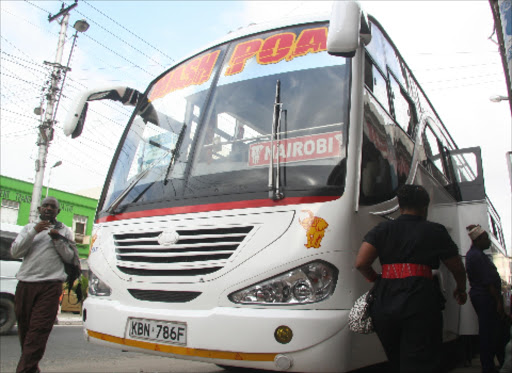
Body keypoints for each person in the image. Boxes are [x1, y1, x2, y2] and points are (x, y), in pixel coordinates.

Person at [355, 184, 467, 373]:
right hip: (421, 301)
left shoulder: (382, 229)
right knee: (421, 360)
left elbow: (361, 263)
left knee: (396, 359)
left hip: (385, 302)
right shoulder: (435, 231)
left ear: (400, 205)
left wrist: (376, 279)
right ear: (425, 206)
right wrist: (461, 288)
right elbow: (457, 267)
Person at [10, 196, 80, 373]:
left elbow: (71, 258)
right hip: (26, 285)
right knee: (26, 332)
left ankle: (24, 370)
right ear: (40, 209)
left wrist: (57, 240)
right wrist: (34, 231)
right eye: (45, 206)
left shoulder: (64, 231)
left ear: (58, 211)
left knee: (39, 331)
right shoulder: (28, 228)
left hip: (50, 286)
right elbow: (15, 252)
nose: (48, 209)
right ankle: (31, 369)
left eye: (53, 207)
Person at [466, 224, 508, 373]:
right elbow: (488, 282)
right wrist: (498, 302)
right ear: (478, 240)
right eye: (486, 239)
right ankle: (488, 367)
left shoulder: (476, 255)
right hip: (485, 298)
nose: (489, 242)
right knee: (489, 334)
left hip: (482, 297)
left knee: (491, 332)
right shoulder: (477, 256)